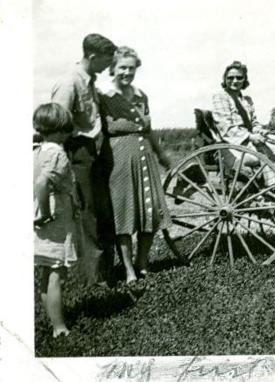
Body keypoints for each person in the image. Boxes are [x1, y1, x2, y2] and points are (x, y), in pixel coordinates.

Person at [98, 46, 172, 284]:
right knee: (124, 213)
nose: (127, 72)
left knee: (148, 211)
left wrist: (161, 155)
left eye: (131, 68)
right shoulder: (105, 96)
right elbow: (102, 129)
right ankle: (128, 269)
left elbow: (148, 130)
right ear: (113, 68)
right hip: (119, 158)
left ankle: (142, 262)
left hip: (144, 157)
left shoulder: (141, 95)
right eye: (122, 67)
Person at [51, 33, 117, 285]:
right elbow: (57, 124)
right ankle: (94, 278)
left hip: (93, 150)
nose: (108, 65)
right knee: (88, 213)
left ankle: (104, 272)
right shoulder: (69, 83)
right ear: (92, 57)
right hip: (78, 151)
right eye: (106, 60)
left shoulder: (89, 81)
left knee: (101, 211)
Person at [211, 60, 275, 198]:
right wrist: (251, 136)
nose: (235, 81)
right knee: (274, 149)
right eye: (230, 78)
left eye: (239, 77)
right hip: (232, 145)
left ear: (245, 79)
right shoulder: (221, 98)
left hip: (247, 142)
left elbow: (254, 123)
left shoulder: (246, 100)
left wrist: (259, 130)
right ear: (225, 79)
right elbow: (225, 128)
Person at [33, 103, 80, 337]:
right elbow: (42, 182)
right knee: (57, 273)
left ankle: (54, 321)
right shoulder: (57, 152)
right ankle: (59, 328)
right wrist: (45, 212)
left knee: (46, 269)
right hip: (55, 215)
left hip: (45, 213)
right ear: (63, 129)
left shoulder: (38, 150)